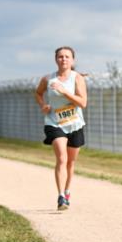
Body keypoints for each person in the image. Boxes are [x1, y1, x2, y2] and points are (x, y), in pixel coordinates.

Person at [34, 47, 87, 210]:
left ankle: (67, 190)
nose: (63, 59)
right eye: (60, 57)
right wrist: (43, 105)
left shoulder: (77, 78)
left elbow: (83, 103)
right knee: (62, 159)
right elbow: (38, 93)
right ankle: (61, 197)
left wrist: (64, 92)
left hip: (75, 123)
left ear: (72, 60)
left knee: (70, 162)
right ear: (56, 59)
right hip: (54, 123)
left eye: (67, 57)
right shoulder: (48, 79)